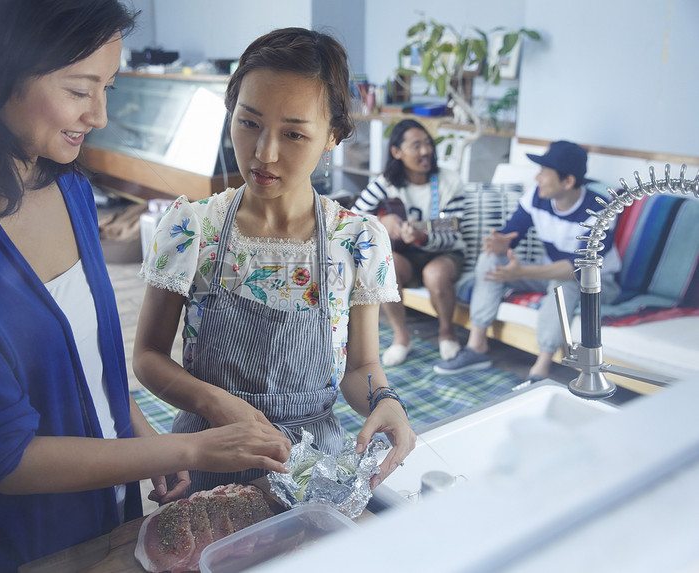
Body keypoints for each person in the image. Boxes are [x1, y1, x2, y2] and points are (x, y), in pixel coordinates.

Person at [0, 1, 290, 571]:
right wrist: (190, 444)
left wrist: (140, 440)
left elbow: (93, 363)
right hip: (15, 547)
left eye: (108, 86)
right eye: (80, 89)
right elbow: (4, 458)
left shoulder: (68, 187)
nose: (100, 115)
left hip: (107, 524)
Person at [133, 27, 416, 494]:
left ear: (333, 136)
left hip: (310, 464)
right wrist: (217, 403)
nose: (264, 153)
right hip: (206, 455)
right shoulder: (192, 229)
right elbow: (148, 357)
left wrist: (386, 401)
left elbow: (361, 366)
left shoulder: (357, 239)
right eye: (249, 123)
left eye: (293, 134)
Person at [433, 140, 621, 383]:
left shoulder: (600, 212)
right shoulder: (537, 197)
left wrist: (520, 272)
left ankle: (539, 370)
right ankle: (476, 347)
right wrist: (498, 244)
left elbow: (578, 269)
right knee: (491, 259)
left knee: (562, 284)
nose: (537, 178)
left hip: (597, 283)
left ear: (568, 181)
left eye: (544, 173)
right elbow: (511, 233)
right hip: (549, 273)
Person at [352, 119, 466, 366]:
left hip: (444, 254)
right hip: (405, 255)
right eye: (416, 145)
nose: (425, 151)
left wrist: (422, 235)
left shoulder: (449, 181)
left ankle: (447, 332)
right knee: (384, 267)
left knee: (435, 273)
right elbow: (352, 217)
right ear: (397, 152)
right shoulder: (386, 182)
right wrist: (382, 220)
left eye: (427, 144)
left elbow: (454, 230)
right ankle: (401, 337)